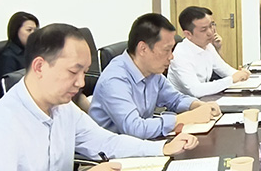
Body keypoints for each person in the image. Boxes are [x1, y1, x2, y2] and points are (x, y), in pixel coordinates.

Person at [0, 24, 198, 171]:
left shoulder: (63, 108)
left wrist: (160, 148)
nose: (81, 83)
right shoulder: (3, 122)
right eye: (73, 72)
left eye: (84, 72)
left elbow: (105, 142)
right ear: (39, 67)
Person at [89, 13, 222, 139]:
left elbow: (175, 99)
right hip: (112, 150)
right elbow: (135, 129)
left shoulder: (152, 72)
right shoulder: (115, 80)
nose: (171, 57)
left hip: (142, 144)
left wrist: (198, 105)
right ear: (143, 49)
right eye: (166, 50)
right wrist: (187, 118)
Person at [168, 6, 250, 97]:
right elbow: (196, 90)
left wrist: (242, 74)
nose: (210, 32)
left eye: (211, 26)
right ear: (188, 34)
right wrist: (231, 79)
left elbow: (225, 70)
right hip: (184, 103)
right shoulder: (180, 55)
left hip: (203, 99)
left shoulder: (208, 46)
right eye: (203, 30)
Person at [0, 12, 39, 97]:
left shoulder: (32, 52)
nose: (33, 34)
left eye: (35, 30)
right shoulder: (8, 57)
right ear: (16, 31)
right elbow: (6, 87)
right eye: (29, 30)